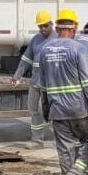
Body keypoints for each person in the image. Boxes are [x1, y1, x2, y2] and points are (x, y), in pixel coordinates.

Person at [38, 9, 88, 175]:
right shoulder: (78, 49)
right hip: (79, 109)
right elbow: (87, 82)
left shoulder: (44, 51)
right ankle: (76, 174)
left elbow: (42, 85)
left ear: (57, 27)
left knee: (65, 149)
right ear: (75, 28)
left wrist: (45, 109)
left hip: (57, 110)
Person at [11, 10, 57, 149]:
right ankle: (37, 141)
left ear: (51, 24)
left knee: (54, 112)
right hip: (36, 82)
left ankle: (60, 141)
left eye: (45, 25)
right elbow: (26, 58)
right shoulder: (36, 40)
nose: (43, 29)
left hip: (51, 84)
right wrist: (17, 74)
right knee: (35, 111)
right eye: (40, 26)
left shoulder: (57, 40)